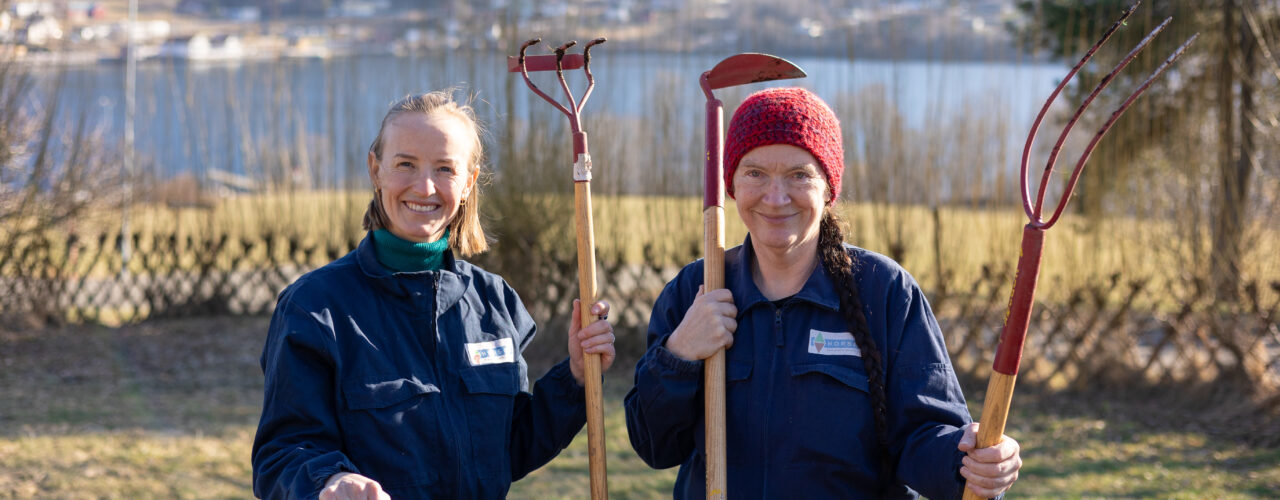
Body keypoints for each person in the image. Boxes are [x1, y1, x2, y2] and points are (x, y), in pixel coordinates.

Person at [623, 87, 1021, 499]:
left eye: (799, 175)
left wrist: (970, 463)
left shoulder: (883, 291)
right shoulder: (696, 288)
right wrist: (680, 355)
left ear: (829, 188)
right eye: (755, 172)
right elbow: (653, 445)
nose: (775, 198)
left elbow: (924, 436)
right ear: (732, 186)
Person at [252, 89, 617, 500]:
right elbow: (283, 453)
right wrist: (329, 482)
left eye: (445, 169)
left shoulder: (494, 303)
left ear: (468, 183)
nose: (424, 187)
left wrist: (576, 377)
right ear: (376, 170)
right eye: (405, 164)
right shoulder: (315, 308)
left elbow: (508, 450)